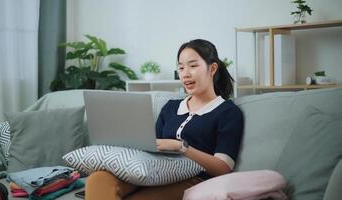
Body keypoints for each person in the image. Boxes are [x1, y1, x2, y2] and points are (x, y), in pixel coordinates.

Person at [85, 39, 244, 200]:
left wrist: (181, 147)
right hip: (153, 170)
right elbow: (152, 146)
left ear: (212, 69)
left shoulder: (228, 112)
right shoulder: (171, 108)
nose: (185, 73)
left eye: (193, 66)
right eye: (181, 67)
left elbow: (223, 168)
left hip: (192, 180)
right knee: (98, 179)